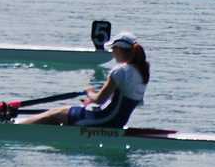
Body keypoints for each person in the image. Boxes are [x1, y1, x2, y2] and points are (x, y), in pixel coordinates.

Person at [19, 32, 149, 126]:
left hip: (103, 119)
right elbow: (134, 101)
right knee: (61, 110)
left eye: (113, 49)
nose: (112, 52)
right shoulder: (143, 71)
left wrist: (90, 92)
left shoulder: (120, 70)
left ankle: (18, 128)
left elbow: (99, 100)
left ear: (119, 49)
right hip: (117, 120)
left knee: (53, 113)